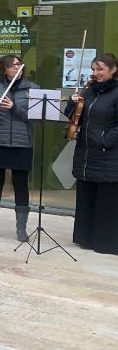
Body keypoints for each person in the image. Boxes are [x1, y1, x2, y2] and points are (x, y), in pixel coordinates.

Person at [66, 52, 118, 255]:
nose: (95, 73)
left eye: (100, 70)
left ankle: (105, 242)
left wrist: (105, 141)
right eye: (93, 69)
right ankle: (85, 238)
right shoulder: (88, 91)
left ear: (113, 70)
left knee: (106, 201)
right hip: (86, 153)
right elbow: (75, 118)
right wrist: (72, 103)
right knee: (86, 196)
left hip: (108, 154)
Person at [0, 55, 36, 241]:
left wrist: (13, 108)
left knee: (21, 184)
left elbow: (34, 117)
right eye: (13, 65)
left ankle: (21, 228)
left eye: (19, 64)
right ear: (4, 69)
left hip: (22, 143)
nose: (17, 67)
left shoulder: (32, 89)